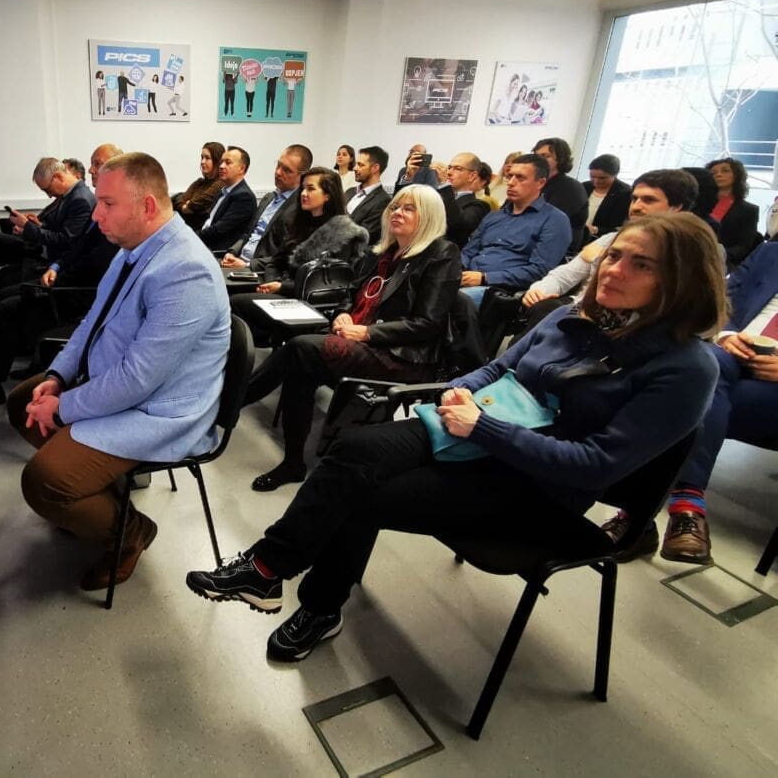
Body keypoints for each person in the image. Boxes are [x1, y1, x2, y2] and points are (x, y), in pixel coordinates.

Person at [187, 213, 723, 662]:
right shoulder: (572, 316)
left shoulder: (685, 367)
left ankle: (316, 604)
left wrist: (482, 425)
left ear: (683, 282)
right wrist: (457, 391)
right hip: (477, 433)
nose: (615, 269)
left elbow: (595, 465)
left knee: (360, 493)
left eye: (641, 264)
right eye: (614, 255)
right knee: (351, 449)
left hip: (535, 487)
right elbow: (498, 369)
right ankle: (267, 569)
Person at [7, 152, 230, 591]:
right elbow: (91, 323)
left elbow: (138, 380)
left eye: (108, 204)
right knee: (22, 403)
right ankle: (92, 496)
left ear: (147, 206)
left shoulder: (187, 271)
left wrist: (63, 406)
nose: (96, 214)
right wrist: (56, 377)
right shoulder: (134, 249)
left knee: (43, 482)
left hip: (159, 411)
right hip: (123, 383)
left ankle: (130, 533)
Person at [242, 185, 459, 492]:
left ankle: (235, 401)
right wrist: (343, 314)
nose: (397, 213)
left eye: (409, 208)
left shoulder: (442, 254)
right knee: (301, 365)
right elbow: (351, 294)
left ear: (429, 216)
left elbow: (427, 324)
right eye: (395, 207)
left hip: (401, 355)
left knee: (302, 348)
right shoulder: (386, 251)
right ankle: (293, 462)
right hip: (360, 340)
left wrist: (368, 332)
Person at [607, 240, 778, 565]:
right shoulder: (771, 252)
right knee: (697, 371)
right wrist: (728, 336)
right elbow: (722, 298)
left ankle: (638, 518)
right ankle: (686, 507)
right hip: (732, 357)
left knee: (686, 391)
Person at [0, 163, 118, 414]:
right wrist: (56, 266)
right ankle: (28, 364)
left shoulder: (97, 211)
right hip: (70, 278)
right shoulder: (96, 209)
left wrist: (58, 271)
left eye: (98, 165)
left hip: (81, 292)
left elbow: (89, 260)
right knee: (10, 295)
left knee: (10, 307)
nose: (91, 170)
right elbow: (78, 247)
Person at [519, 169, 698, 337]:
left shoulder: (685, 252)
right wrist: (540, 290)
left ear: (677, 207)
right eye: (635, 199)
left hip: (630, 327)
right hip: (581, 309)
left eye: (649, 200)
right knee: (544, 308)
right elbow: (565, 275)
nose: (636, 207)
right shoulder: (611, 239)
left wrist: (598, 258)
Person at [229, 168, 369, 341]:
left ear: (328, 195)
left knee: (236, 303)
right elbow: (275, 262)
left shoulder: (343, 233)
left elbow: (326, 286)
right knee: (232, 293)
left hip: (309, 302)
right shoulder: (301, 223)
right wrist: (272, 283)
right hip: (283, 291)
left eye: (310, 189)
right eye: (303, 188)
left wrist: (281, 287)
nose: (303, 193)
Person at [0, 157, 95, 312]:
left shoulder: (80, 199)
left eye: (47, 190)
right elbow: (58, 230)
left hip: (52, 258)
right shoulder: (70, 196)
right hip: (44, 249)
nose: (49, 195)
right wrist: (35, 226)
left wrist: (28, 227)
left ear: (58, 177)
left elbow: (64, 240)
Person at [458, 153, 570, 305]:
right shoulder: (494, 216)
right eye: (510, 176)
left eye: (520, 178)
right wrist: (456, 271)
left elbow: (539, 270)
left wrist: (486, 278)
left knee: (452, 300)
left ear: (540, 183)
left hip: (504, 291)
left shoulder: (554, 220)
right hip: (469, 279)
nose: (511, 183)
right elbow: (468, 252)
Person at [220, 145, 310, 268]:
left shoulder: (300, 208)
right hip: (239, 261)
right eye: (278, 165)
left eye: (287, 170)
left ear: (303, 176)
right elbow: (247, 234)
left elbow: (285, 256)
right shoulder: (269, 198)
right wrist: (232, 252)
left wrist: (247, 265)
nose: (278, 172)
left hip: (259, 271)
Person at [532, 138, 588, 253]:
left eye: (546, 156)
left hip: (554, 248)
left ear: (561, 159)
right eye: (536, 156)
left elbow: (547, 222)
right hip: (528, 241)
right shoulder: (534, 183)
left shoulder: (571, 188)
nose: (539, 160)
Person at [198, 146, 255, 253]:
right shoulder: (223, 191)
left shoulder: (244, 197)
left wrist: (192, 237)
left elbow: (218, 230)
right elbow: (209, 221)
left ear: (241, 169)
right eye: (221, 162)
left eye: (228, 163)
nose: (221, 166)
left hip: (218, 252)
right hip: (205, 245)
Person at [707, 157, 761, 268]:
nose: (718, 174)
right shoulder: (697, 204)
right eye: (713, 173)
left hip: (723, 262)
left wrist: (718, 255)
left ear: (737, 176)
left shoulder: (749, 210)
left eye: (725, 171)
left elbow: (744, 246)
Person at [438, 152, 492, 248]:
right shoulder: (437, 195)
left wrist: (445, 185)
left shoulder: (479, 206)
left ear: (472, 176)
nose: (449, 172)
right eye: (449, 167)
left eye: (458, 169)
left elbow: (458, 227)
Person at [344, 146, 392, 239]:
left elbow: (362, 237)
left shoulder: (383, 201)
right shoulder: (349, 192)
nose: (355, 168)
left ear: (375, 168)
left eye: (360, 165)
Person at [175, 142, 225, 230]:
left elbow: (198, 202)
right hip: (184, 227)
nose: (202, 162)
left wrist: (189, 204)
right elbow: (179, 202)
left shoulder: (220, 183)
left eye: (207, 158)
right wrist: (187, 206)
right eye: (202, 158)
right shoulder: (199, 182)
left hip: (199, 232)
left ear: (217, 160)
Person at [582, 153, 631, 242]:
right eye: (592, 176)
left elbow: (620, 225)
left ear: (615, 174)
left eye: (602, 178)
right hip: (579, 235)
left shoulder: (625, 193)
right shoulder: (584, 187)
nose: (596, 181)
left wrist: (596, 229)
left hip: (602, 240)